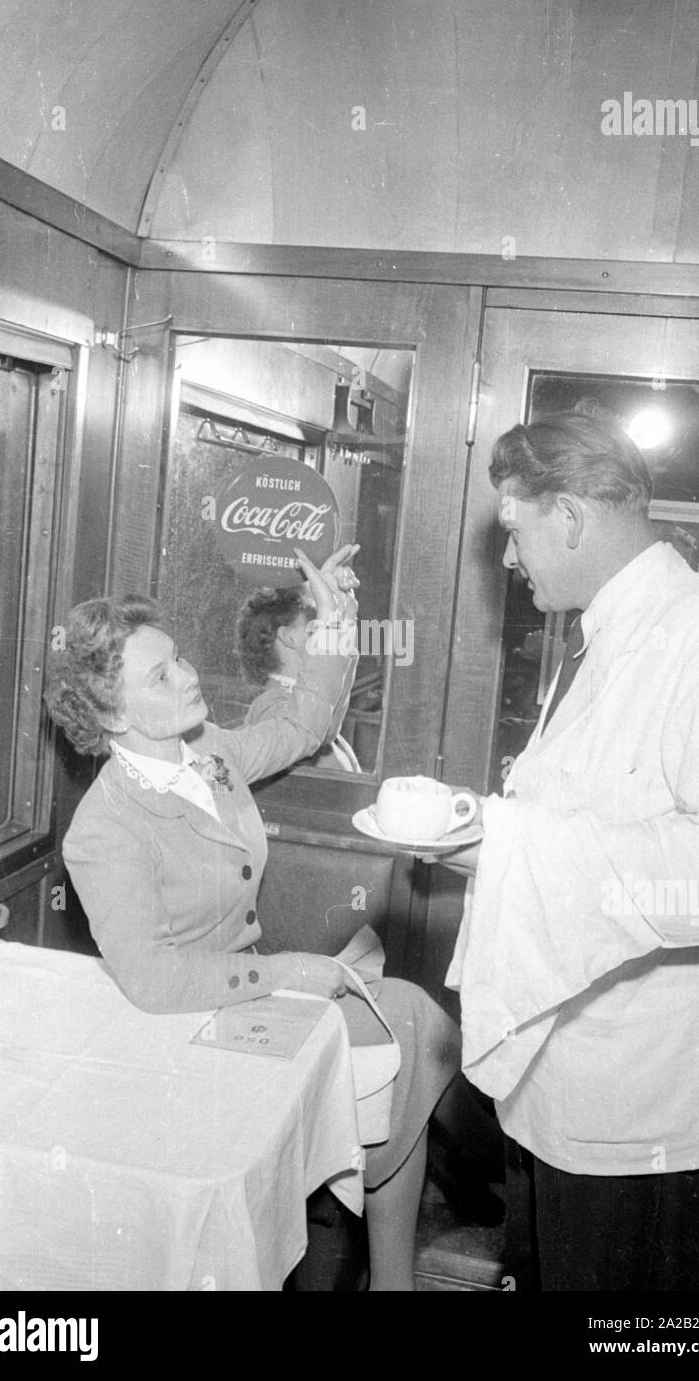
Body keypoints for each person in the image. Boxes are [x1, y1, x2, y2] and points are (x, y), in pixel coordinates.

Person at [44, 546, 460, 1292]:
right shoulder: (103, 828)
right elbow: (153, 978)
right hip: (179, 1027)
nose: (190, 676)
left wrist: (336, 627)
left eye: (180, 659)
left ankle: (390, 1277)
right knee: (415, 1024)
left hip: (246, 995)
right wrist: (293, 973)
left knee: (415, 1029)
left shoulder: (208, 753)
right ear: (110, 711)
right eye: (160, 675)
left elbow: (303, 721)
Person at [443, 409, 699, 1290]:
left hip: (656, 1108)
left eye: (515, 533)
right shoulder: (600, 635)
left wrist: (515, 849)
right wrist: (498, 846)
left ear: (570, 518)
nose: (508, 560)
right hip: (581, 1086)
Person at [236, 584, 360, 771]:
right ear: (289, 637)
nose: (325, 628)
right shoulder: (271, 710)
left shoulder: (301, 703)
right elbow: (318, 727)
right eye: (315, 621)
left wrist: (347, 616)